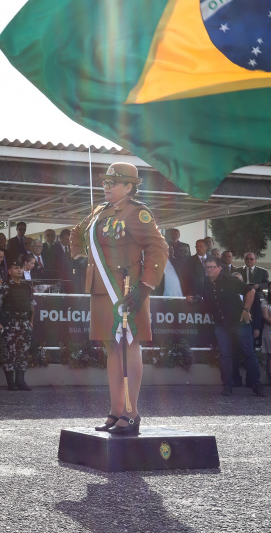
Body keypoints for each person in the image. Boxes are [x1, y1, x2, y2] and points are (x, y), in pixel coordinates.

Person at [71, 162, 168, 435]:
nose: (107, 187)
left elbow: (159, 248)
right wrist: (79, 258)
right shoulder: (98, 213)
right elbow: (75, 234)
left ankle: (131, 413)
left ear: (129, 186)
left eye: (113, 183)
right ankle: (116, 411)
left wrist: (145, 286)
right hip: (101, 290)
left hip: (127, 291)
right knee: (112, 350)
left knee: (128, 348)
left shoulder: (138, 213)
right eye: (105, 182)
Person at [195, 257, 265, 397]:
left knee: (248, 353)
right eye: (207, 267)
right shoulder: (205, 283)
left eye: (212, 267)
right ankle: (227, 385)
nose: (209, 270)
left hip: (239, 322)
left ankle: (256, 385)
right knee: (225, 355)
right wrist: (194, 300)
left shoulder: (230, 280)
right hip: (221, 324)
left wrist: (246, 310)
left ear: (219, 267)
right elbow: (205, 299)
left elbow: (250, 291)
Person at [0, 258, 36, 391]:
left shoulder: (27, 286)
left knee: (23, 353)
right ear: (10, 271)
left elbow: (32, 305)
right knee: (10, 353)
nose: (19, 270)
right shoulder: (5, 286)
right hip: (11, 323)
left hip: (24, 324)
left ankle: (21, 381)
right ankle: (11, 383)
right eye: (16, 268)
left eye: (21, 268)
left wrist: (31, 322)